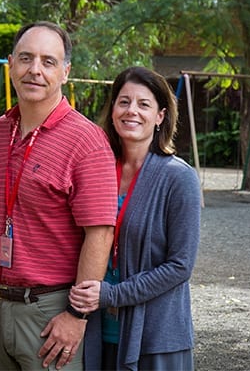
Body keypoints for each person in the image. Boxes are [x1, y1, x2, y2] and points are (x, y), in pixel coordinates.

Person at [0, 21, 118, 371]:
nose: (35, 70)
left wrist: (76, 315)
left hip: (52, 311)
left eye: (48, 61)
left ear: (66, 71)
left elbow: (100, 234)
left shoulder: (85, 140)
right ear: (11, 63)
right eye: (26, 59)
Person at [69, 66, 201, 371]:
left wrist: (113, 294)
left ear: (160, 116)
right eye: (124, 101)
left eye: (144, 104)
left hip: (155, 337)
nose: (132, 111)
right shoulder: (96, 169)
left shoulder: (178, 178)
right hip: (97, 331)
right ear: (113, 109)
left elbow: (180, 266)